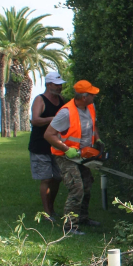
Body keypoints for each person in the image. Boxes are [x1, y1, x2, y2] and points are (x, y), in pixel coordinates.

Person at [44, 80, 104, 234]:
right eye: (92, 95)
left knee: (87, 185)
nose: (94, 97)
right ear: (84, 97)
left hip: (83, 154)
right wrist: (66, 149)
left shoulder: (90, 106)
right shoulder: (66, 113)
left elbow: (93, 125)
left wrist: (97, 139)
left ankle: (83, 218)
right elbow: (48, 135)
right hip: (66, 156)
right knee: (76, 188)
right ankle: (69, 227)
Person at [29, 71, 66, 220]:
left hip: (56, 145)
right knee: (45, 179)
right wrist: (53, 119)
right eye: (57, 85)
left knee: (57, 178)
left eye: (60, 85)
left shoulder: (61, 100)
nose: (59, 88)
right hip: (40, 146)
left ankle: (51, 207)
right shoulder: (40, 100)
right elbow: (35, 120)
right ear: (49, 84)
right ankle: (47, 213)